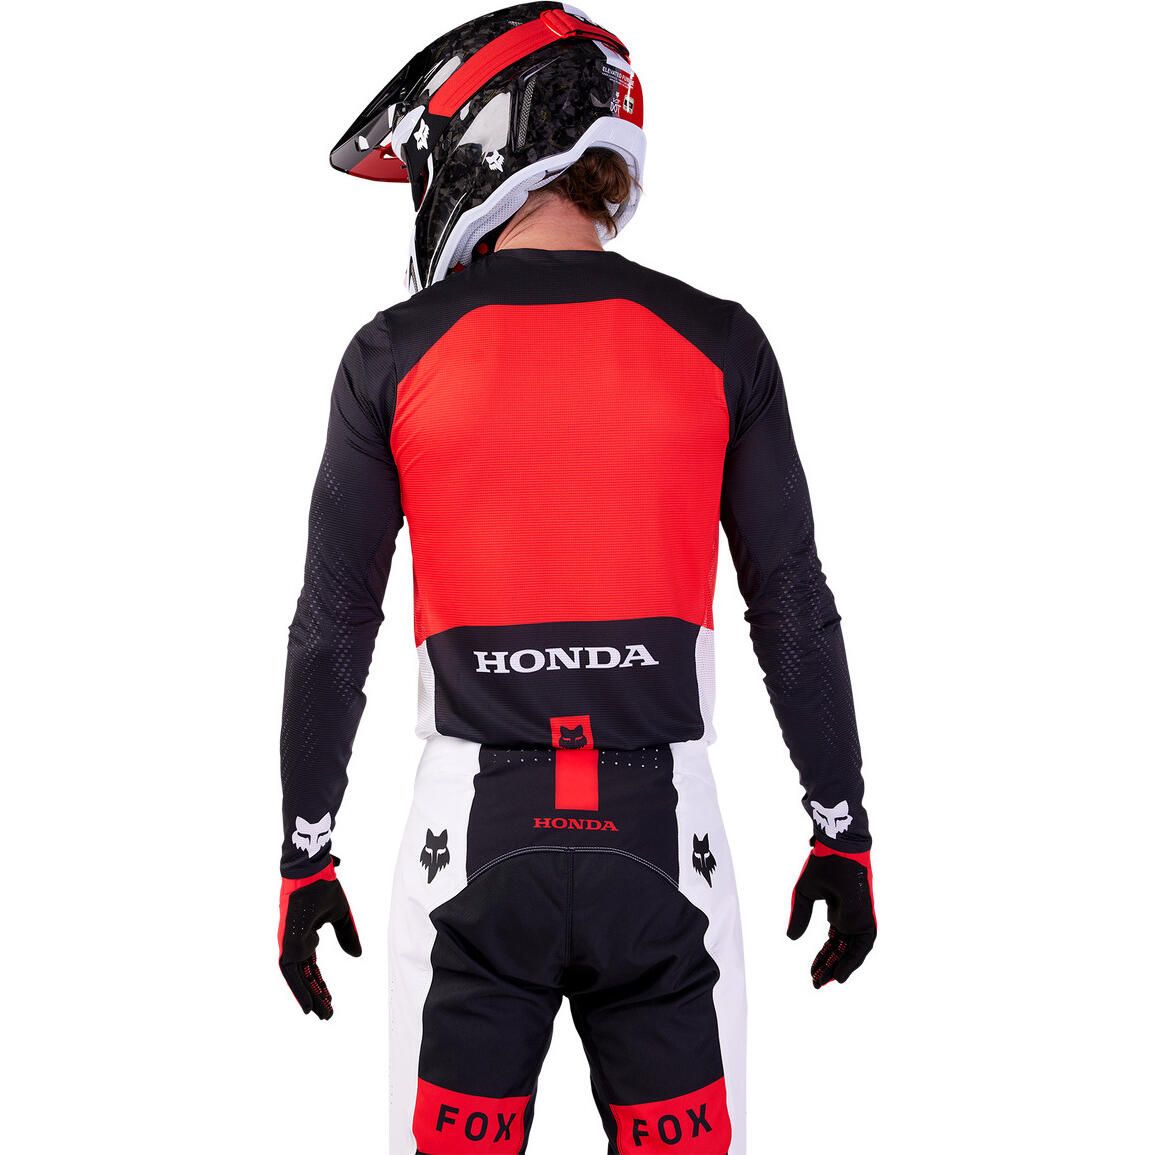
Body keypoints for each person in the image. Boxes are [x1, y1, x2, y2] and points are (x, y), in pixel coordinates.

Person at [277, 6, 876, 1153]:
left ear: (482, 139)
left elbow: (331, 629)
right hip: (666, 840)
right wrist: (840, 827)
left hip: (468, 841)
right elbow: (793, 607)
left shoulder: (392, 352)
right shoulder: (720, 342)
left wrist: (306, 849)